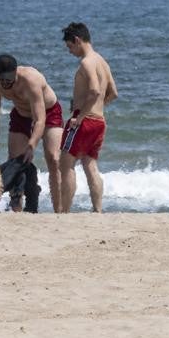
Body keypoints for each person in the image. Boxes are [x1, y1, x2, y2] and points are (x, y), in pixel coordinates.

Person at [0, 54, 60, 212]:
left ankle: (58, 210)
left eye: (9, 80)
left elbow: (40, 120)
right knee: (15, 161)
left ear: (16, 73)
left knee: (53, 159)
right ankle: (17, 206)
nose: (6, 83)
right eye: (2, 80)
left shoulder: (31, 80)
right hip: (21, 115)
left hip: (49, 112)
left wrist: (32, 145)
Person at [59, 22, 118, 213]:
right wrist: (96, 108)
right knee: (90, 164)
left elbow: (93, 90)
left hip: (83, 120)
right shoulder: (102, 61)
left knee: (66, 164)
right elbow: (113, 93)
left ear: (77, 40)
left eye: (70, 46)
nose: (70, 52)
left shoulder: (87, 62)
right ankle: (98, 210)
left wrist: (81, 115)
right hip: (99, 121)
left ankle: (65, 212)